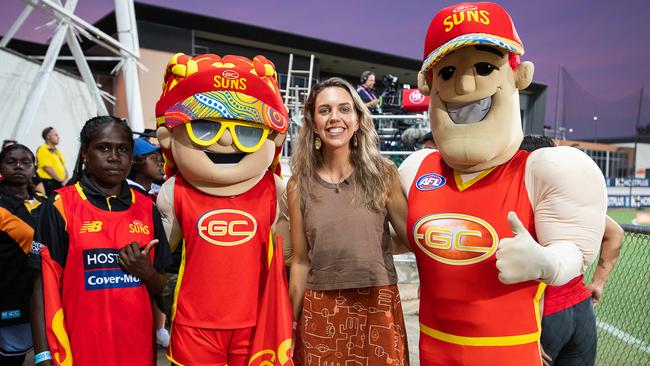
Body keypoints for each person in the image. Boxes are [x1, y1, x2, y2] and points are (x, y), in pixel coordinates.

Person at [398, 3, 607, 365]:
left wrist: (546, 263)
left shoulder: (542, 169)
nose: (464, 84)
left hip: (508, 352)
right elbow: (394, 235)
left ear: (519, 75)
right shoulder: (417, 169)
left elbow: (573, 251)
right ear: (428, 84)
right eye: (447, 71)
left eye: (483, 68)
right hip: (433, 349)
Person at [154, 53, 292, 366]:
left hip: (258, 321)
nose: (227, 140)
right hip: (194, 324)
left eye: (246, 130)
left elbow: (290, 256)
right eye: (205, 128)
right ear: (169, 135)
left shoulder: (275, 190)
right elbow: (159, 254)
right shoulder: (176, 191)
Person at [28, 116, 171, 366]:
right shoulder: (61, 205)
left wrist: (147, 273)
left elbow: (162, 287)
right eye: (104, 148)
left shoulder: (147, 209)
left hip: (136, 350)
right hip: (80, 348)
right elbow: (41, 286)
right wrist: (43, 355)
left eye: (122, 149)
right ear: (85, 153)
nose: (114, 157)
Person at [288, 77, 410, 365]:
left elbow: (410, 240)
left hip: (377, 304)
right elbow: (302, 261)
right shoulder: (298, 185)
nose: (334, 118)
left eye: (344, 109)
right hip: (321, 309)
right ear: (313, 122)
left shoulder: (384, 173)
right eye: (325, 110)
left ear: (357, 120)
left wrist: (366, 249)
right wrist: (290, 325)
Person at [519, 135, 625, 366]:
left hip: (544, 317)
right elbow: (615, 233)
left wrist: (526, 335)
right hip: (581, 310)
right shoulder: (564, 203)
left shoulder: (522, 203)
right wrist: (598, 282)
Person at [0, 144, 47, 366]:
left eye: (25, 162)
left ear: (34, 167)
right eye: (11, 162)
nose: (19, 166)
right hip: (7, 294)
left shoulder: (48, 203)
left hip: (41, 296)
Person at [126, 136, 170, 348]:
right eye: (154, 158)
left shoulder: (153, 193)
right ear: (135, 161)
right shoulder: (128, 196)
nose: (161, 162)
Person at [36, 127, 68, 195]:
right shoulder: (43, 149)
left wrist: (66, 179)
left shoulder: (57, 151)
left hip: (60, 183)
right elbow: (47, 168)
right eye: (56, 135)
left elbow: (63, 167)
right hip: (50, 183)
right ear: (48, 137)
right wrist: (61, 180)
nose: (58, 137)